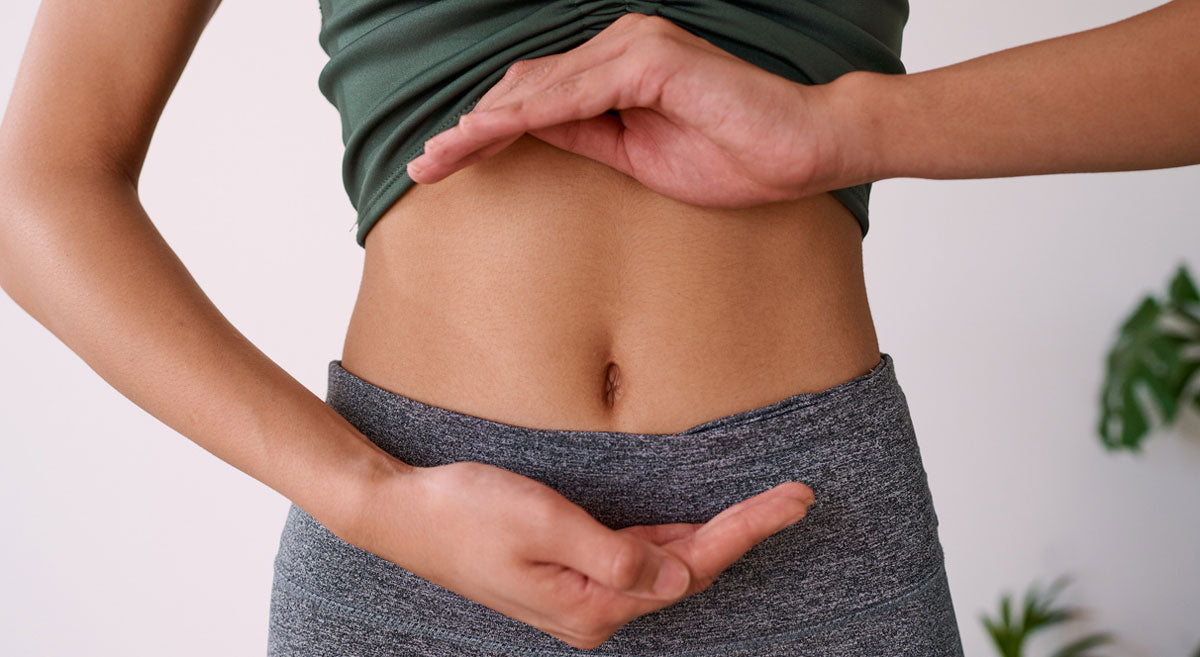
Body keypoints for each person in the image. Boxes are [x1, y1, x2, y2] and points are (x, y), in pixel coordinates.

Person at [0, 0, 1196, 655]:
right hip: (416, 539)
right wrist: (368, 502)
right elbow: (38, 182)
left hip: (807, 530)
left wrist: (849, 129)